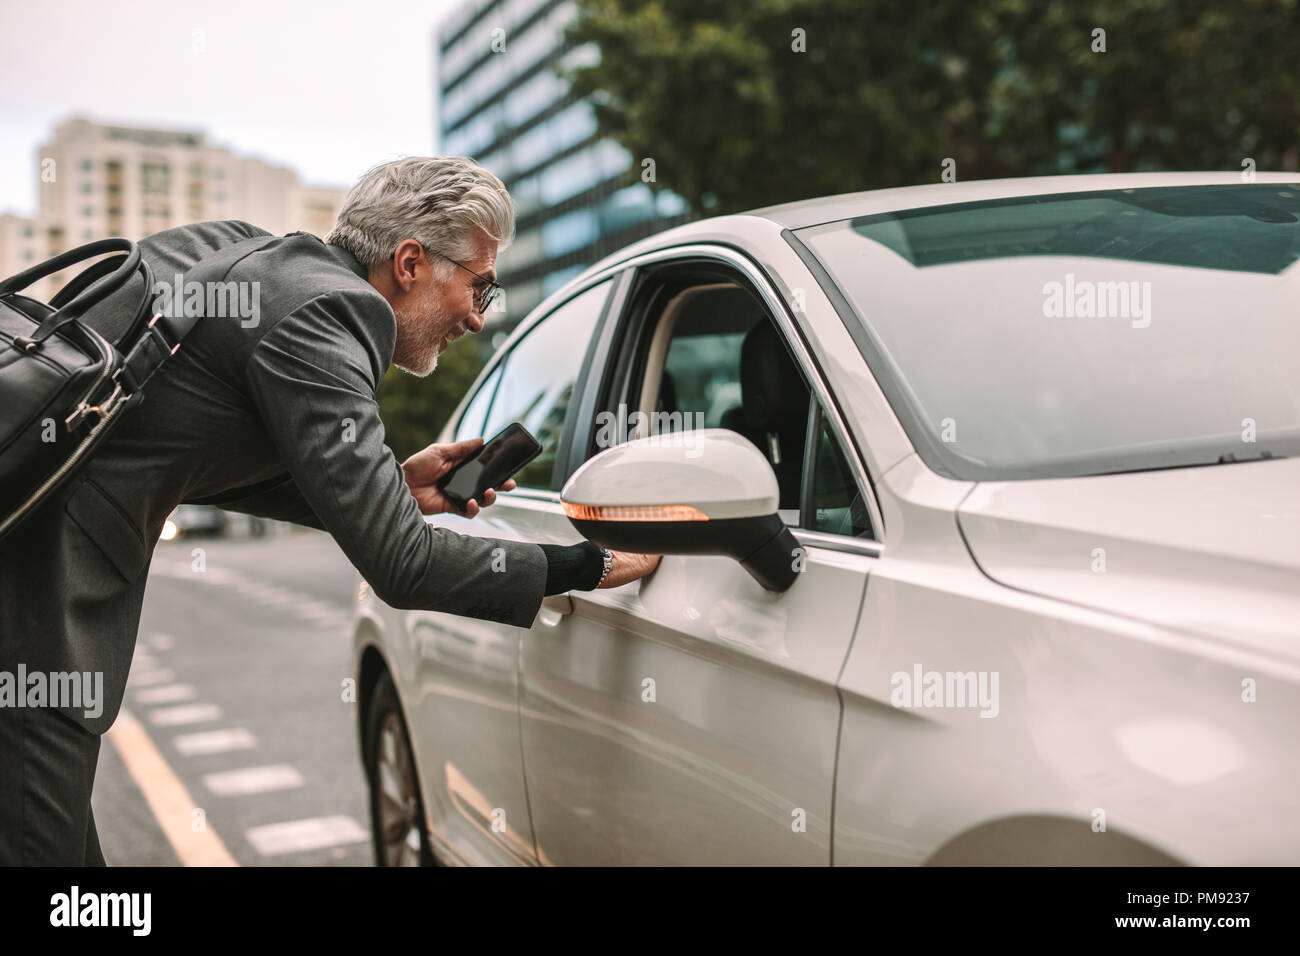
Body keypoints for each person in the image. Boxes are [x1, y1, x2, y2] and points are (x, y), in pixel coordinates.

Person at [0, 156, 660, 865]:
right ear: (410, 261)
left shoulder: (242, 252)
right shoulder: (331, 313)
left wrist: (390, 488)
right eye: (479, 286)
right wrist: (585, 564)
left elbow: (166, 447)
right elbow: (404, 565)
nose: (476, 316)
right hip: (32, 607)